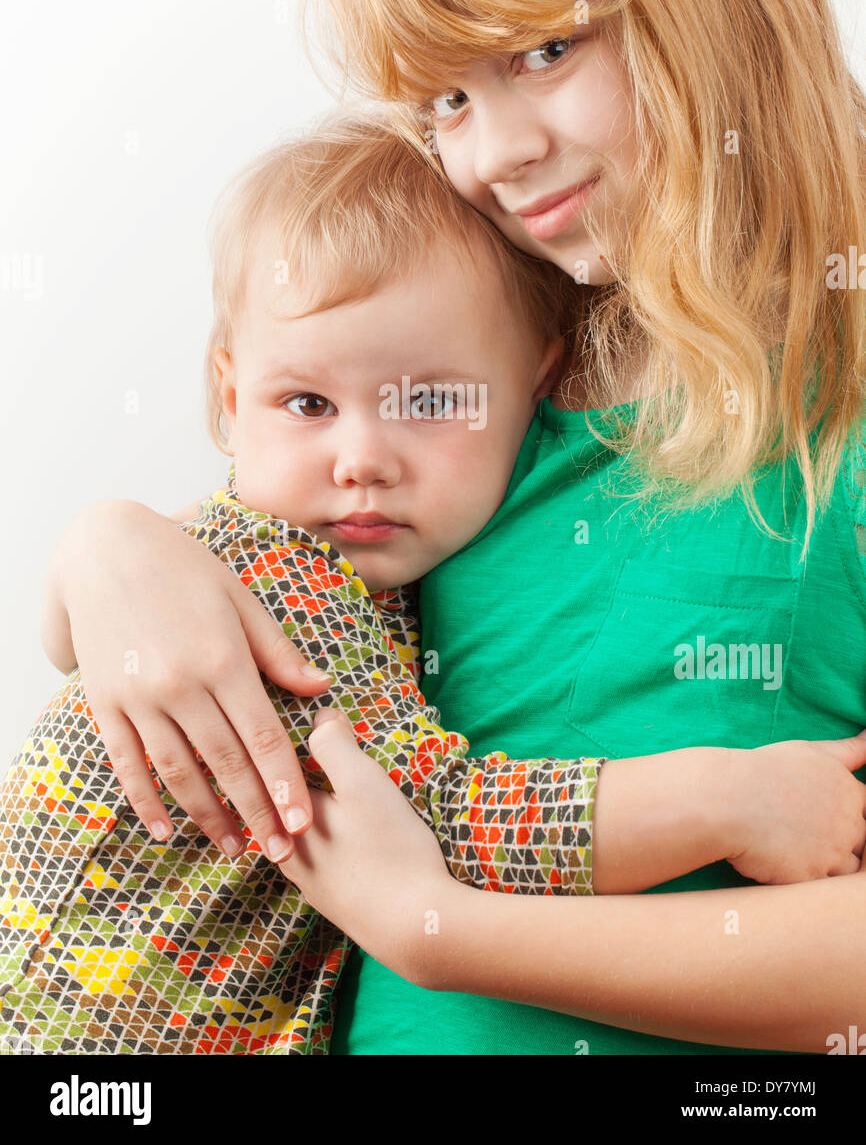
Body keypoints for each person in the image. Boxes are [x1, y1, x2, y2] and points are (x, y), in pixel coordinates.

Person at [39, 0, 866, 1054]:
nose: (495, 152)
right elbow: (273, 564)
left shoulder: (837, 392)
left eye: (546, 46)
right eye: (448, 96)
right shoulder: (467, 397)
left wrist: (437, 928)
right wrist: (109, 547)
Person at [13, 113, 856, 1055]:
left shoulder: (369, 568)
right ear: (228, 396)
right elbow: (441, 820)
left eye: (431, 402)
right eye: (307, 404)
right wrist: (731, 801)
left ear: (539, 380)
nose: (362, 460)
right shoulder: (279, 577)